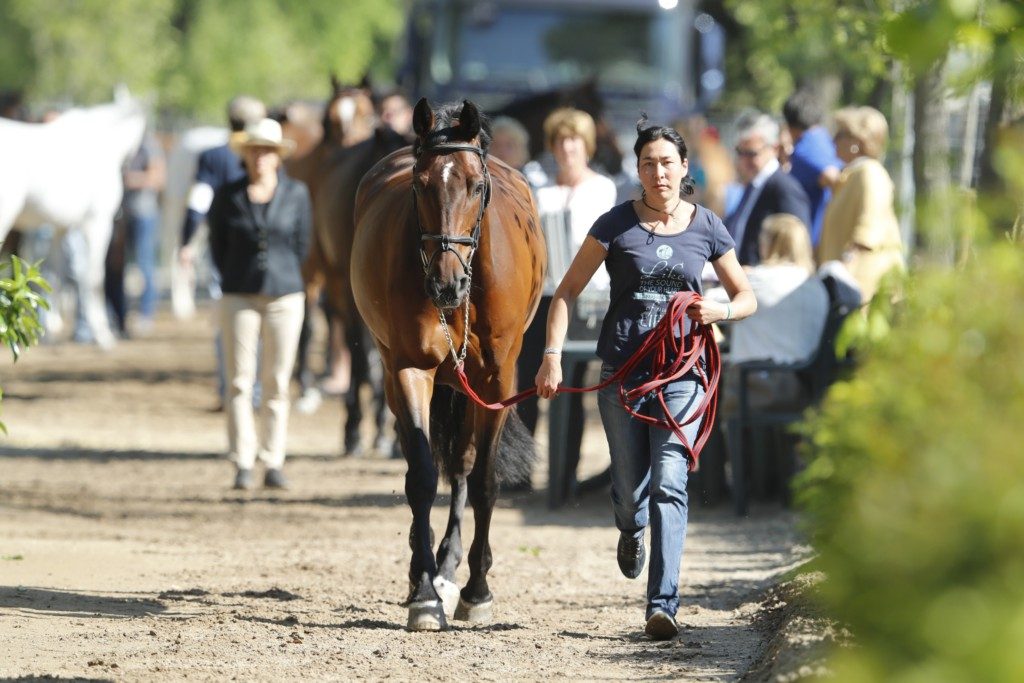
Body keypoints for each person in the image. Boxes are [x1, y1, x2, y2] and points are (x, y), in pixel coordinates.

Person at [535, 117, 756, 640]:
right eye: (648, 163)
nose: (658, 172)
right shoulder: (615, 224)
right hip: (622, 375)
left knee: (669, 482)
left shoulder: (708, 226)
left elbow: (746, 296)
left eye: (667, 163)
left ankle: (663, 604)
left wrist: (717, 313)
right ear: (637, 169)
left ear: (684, 168)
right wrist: (551, 355)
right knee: (631, 494)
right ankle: (630, 528)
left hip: (683, 373)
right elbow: (564, 293)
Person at [207, 118, 312, 490]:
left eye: (267, 151)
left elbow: (302, 245)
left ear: (278, 156)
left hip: (285, 295)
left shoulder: (297, 193)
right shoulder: (228, 194)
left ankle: (273, 458)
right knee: (238, 381)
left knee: (277, 380)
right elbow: (216, 245)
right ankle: (242, 460)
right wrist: (238, 274)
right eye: (255, 150)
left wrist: (281, 274)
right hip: (239, 295)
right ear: (245, 154)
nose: (261, 158)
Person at [518, 108, 616, 485]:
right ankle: (522, 471)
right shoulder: (541, 192)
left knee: (573, 385)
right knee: (529, 382)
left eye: (574, 139)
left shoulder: (602, 188)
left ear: (587, 145)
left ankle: (567, 473)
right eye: (561, 140)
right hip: (543, 295)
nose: (567, 148)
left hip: (587, 297)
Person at [179, 95, 266, 408]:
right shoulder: (268, 154)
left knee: (228, 324)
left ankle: (230, 389)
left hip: (225, 252)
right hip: (267, 249)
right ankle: (258, 390)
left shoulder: (212, 157)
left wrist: (186, 241)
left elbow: (197, 203)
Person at [709, 213, 829, 415]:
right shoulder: (817, 286)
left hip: (753, 388)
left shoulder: (759, 280)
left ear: (770, 244)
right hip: (805, 392)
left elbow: (707, 300)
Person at [817, 106, 905, 304]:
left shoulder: (870, 173)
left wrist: (844, 271)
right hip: (848, 286)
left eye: (840, 134)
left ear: (857, 142)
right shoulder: (852, 175)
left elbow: (868, 229)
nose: (833, 140)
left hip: (865, 287)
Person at [724, 112, 811, 266]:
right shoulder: (753, 186)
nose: (744, 160)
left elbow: (797, 250)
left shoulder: (784, 189)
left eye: (751, 154)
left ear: (774, 148)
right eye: (740, 152)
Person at [106, 127, 166, 335]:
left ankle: (145, 314)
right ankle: (118, 316)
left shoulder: (148, 144)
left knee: (145, 264)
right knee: (114, 266)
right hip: (119, 215)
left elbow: (158, 178)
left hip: (143, 214)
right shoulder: (117, 144)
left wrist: (130, 179)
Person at [782, 90, 843, 247]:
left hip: (814, 240)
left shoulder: (806, 149)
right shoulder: (824, 138)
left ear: (789, 123)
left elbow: (833, 177)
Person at [489, 116, 548, 188]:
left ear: (521, 150)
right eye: (496, 145)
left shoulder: (535, 182)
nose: (502, 151)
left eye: (509, 145)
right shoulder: (482, 186)